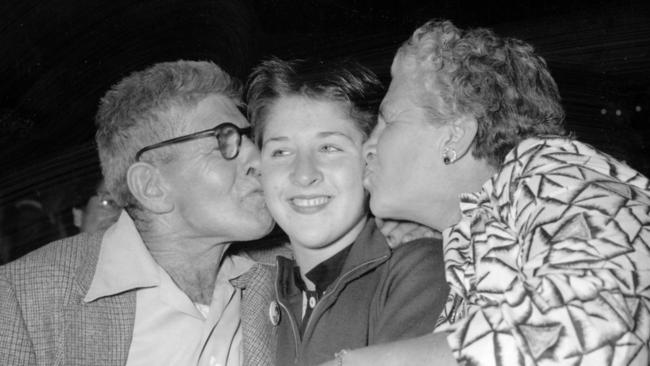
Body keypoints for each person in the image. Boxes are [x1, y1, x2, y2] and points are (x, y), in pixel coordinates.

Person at [322, 19, 650, 366]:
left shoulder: (558, 174)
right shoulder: (477, 238)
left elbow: (597, 324)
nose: (368, 148)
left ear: (455, 136)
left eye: (388, 121)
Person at [0, 60, 283, 366]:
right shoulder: (22, 302)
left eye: (251, 138)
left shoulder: (292, 271)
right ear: (152, 187)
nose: (259, 158)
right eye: (225, 141)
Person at [246, 57, 449, 366]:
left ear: (370, 158)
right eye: (281, 152)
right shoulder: (255, 292)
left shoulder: (419, 269)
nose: (303, 174)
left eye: (329, 148)